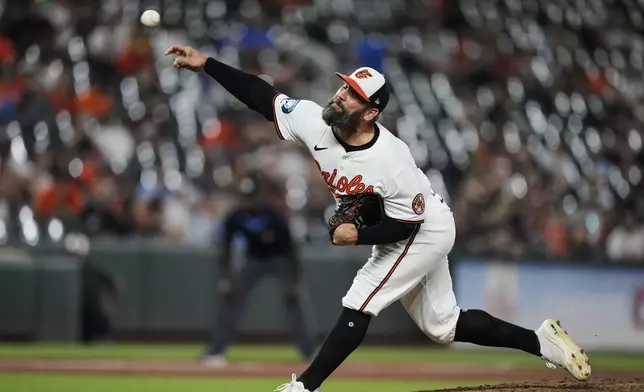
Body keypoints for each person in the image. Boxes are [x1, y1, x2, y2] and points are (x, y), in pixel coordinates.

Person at [165, 45, 591, 391]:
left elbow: (407, 226)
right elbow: (261, 95)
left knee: (361, 297)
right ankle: (542, 342)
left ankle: (302, 389)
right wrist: (207, 65)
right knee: (444, 326)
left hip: (423, 229)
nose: (340, 96)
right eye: (343, 88)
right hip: (404, 227)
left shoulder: (391, 160)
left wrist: (359, 234)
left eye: (352, 95)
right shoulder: (315, 121)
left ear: (370, 113)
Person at [201, 173, 316, 366]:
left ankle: (310, 353)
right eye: (245, 198)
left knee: (294, 301)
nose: (248, 202)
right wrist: (226, 278)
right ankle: (215, 351)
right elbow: (226, 249)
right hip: (253, 259)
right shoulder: (236, 216)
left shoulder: (274, 215)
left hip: (279, 259)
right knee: (230, 298)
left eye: (251, 198)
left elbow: (292, 252)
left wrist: (293, 282)